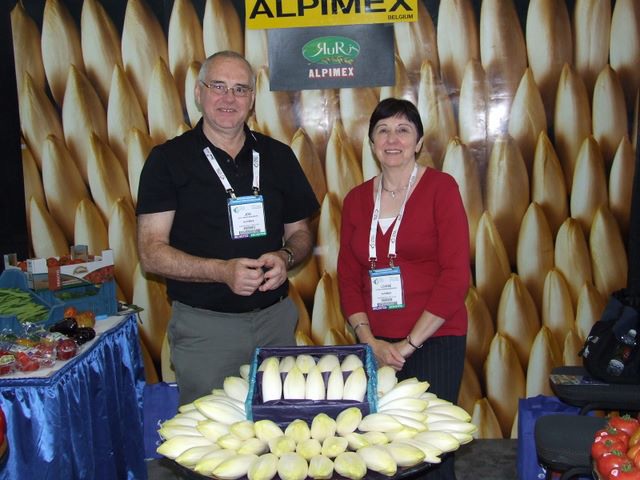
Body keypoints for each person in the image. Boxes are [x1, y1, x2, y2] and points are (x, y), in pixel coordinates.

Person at [136, 51, 319, 406]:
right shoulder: (168, 160)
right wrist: (222, 271)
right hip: (206, 329)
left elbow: (301, 233)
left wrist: (285, 256)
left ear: (252, 99)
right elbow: (151, 253)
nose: (229, 98)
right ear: (198, 92)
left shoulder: (278, 156)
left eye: (240, 89)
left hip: (275, 322)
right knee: (211, 431)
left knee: (280, 425)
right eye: (218, 86)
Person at [337, 97, 470, 479]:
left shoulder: (441, 188)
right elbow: (348, 277)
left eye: (402, 130)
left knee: (430, 451)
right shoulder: (356, 200)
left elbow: (455, 276)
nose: (392, 139)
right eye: (382, 130)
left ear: (418, 142)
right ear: (371, 142)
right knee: (379, 450)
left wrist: (409, 345)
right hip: (375, 344)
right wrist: (370, 340)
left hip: (435, 339)